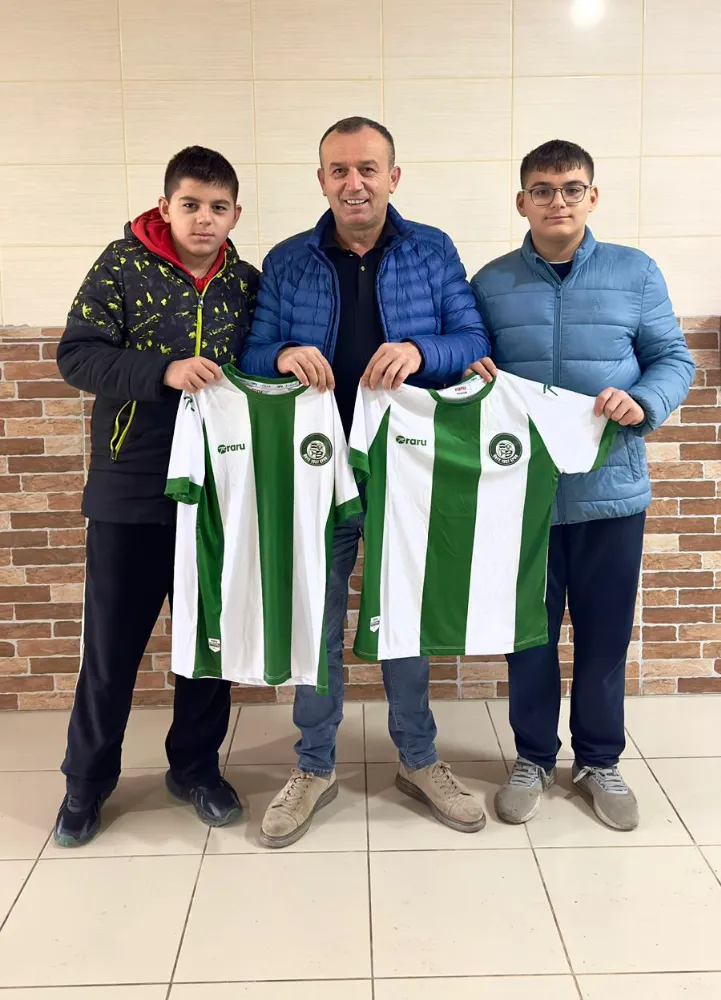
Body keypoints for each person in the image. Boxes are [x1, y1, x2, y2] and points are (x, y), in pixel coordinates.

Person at [241, 116, 492, 848]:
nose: (354, 183)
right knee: (315, 620)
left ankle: (418, 758)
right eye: (339, 170)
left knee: (402, 615)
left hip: (403, 466)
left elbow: (473, 341)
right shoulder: (288, 260)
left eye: (368, 169)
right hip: (316, 470)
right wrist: (281, 354)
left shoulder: (431, 249)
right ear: (322, 180)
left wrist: (419, 349)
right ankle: (313, 765)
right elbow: (252, 354)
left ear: (393, 177)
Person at [470, 139, 694, 831]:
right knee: (528, 638)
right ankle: (533, 758)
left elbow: (672, 358)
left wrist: (644, 402)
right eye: (542, 190)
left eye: (571, 188)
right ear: (521, 202)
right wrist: (468, 374)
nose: (557, 201)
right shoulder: (491, 282)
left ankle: (599, 760)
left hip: (610, 492)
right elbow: (473, 367)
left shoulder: (635, 272)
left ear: (592, 197)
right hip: (522, 496)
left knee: (603, 638)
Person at [53, 146, 260, 847]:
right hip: (130, 488)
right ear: (166, 205)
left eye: (218, 207)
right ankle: (86, 783)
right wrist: (162, 371)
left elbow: (261, 364)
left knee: (207, 645)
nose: (204, 219)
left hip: (218, 490)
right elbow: (77, 354)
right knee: (111, 649)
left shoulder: (246, 283)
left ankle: (195, 768)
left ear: (235, 214)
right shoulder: (122, 265)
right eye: (191, 204)